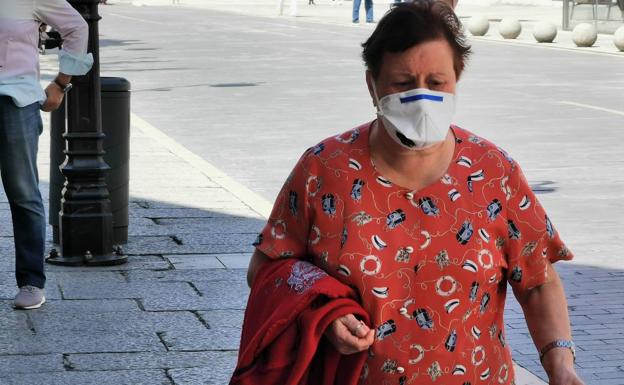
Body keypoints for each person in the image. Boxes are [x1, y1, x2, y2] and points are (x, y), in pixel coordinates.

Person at [246, 1, 585, 384]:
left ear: (457, 80)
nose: (421, 99)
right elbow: (267, 267)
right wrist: (322, 314)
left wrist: (560, 365)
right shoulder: (324, 170)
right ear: (372, 85)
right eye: (403, 84)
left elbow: (538, 281)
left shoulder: (493, 173)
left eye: (437, 83)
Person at [0, 0, 93, 309]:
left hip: (16, 101)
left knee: (23, 192)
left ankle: (31, 281)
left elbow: (76, 27)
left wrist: (61, 83)